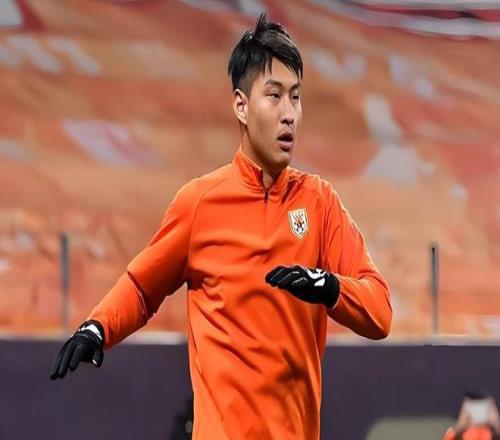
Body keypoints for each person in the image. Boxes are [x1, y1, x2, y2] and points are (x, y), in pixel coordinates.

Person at [50, 13, 392, 439]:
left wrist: (329, 286)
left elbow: (380, 312)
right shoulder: (199, 203)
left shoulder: (319, 203)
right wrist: (98, 327)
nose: (289, 114)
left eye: (296, 97)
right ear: (241, 106)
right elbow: (141, 287)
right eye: (274, 96)